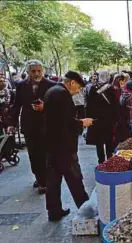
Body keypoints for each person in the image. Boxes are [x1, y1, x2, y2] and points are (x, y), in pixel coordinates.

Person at [43, 70, 93, 221]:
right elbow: (65, 122)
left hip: (52, 144)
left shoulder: (51, 91)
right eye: (78, 88)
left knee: (53, 180)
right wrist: (82, 123)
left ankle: (54, 211)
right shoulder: (62, 94)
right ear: (72, 83)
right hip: (64, 146)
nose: (77, 92)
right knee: (74, 178)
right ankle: (86, 211)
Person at [8, 60, 56, 194]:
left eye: (39, 71)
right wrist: (12, 124)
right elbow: (16, 105)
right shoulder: (21, 86)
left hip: (46, 126)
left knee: (45, 154)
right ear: (28, 72)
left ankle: (43, 181)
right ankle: (39, 176)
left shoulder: (51, 85)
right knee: (34, 155)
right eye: (33, 71)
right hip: (29, 126)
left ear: (43, 71)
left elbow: (58, 106)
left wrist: (45, 107)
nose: (36, 74)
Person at [86, 70, 119, 164]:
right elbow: (115, 106)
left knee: (99, 142)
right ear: (108, 77)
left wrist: (89, 118)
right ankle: (109, 160)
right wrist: (115, 119)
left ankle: (101, 161)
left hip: (96, 120)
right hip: (108, 120)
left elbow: (89, 105)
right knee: (109, 140)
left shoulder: (92, 88)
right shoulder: (111, 89)